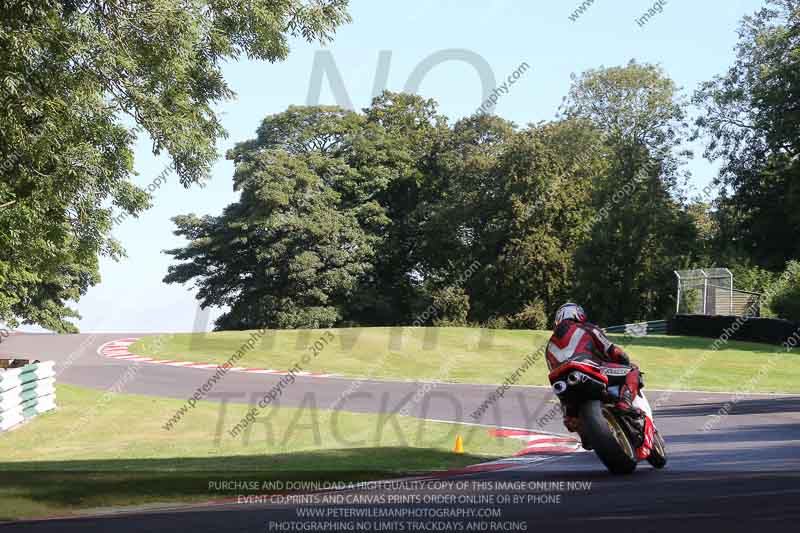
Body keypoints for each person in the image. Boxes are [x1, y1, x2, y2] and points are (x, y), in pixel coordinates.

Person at [545, 302, 653, 457]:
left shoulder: (549, 345)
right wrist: (623, 360)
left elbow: (552, 369)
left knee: (568, 412)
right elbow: (613, 351)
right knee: (632, 371)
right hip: (589, 368)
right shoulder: (588, 328)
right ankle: (624, 402)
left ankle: (580, 428)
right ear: (578, 314)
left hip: (562, 384)